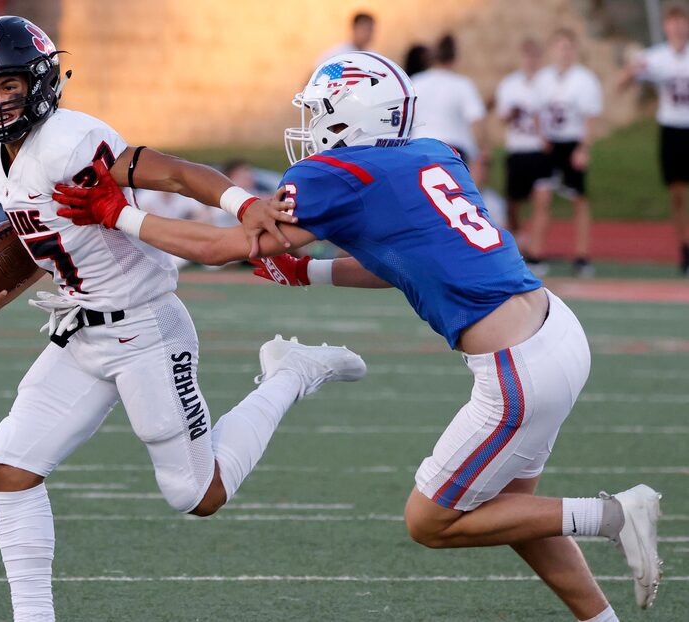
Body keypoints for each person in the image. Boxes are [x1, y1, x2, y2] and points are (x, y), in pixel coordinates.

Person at [55, 51, 663, 621]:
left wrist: (118, 215)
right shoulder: (434, 154)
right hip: (555, 329)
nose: (310, 124)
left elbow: (220, 248)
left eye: (320, 111)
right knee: (513, 512)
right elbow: (405, 264)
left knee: (432, 521)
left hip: (516, 369)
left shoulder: (336, 172)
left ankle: (614, 514)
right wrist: (311, 271)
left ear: (352, 115)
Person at [0, 16, 366, 622]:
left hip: (145, 327)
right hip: (81, 329)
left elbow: (174, 172)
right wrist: (8, 284)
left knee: (197, 495)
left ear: (36, 82)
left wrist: (244, 204)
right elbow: (53, 236)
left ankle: (291, 373)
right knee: (11, 465)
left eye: (7, 86)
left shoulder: (70, 139)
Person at [619, 2, 689, 276]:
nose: (678, 27)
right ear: (666, 27)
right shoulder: (657, 56)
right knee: (676, 195)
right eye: (673, 22)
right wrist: (632, 70)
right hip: (671, 129)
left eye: (682, 21)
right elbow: (622, 83)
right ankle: (683, 247)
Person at [531, 29, 603, 277]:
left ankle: (582, 256)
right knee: (541, 197)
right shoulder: (543, 79)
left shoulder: (584, 79)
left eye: (568, 47)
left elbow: (590, 118)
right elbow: (536, 111)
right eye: (559, 47)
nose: (564, 52)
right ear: (552, 50)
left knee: (579, 199)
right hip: (550, 144)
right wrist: (541, 137)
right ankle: (535, 254)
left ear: (574, 50)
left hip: (572, 143)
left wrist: (583, 148)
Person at [410, 34, 488, 181]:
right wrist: (482, 151)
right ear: (455, 57)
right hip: (453, 151)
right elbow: (477, 121)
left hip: (419, 149)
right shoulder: (462, 84)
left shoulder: (415, 82)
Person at [495, 38, 549, 246]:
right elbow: (502, 117)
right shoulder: (510, 84)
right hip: (518, 148)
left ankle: (537, 250)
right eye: (528, 56)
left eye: (535, 56)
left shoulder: (547, 83)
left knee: (542, 200)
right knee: (513, 202)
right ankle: (518, 238)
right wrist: (512, 114)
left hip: (540, 149)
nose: (531, 61)